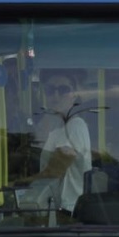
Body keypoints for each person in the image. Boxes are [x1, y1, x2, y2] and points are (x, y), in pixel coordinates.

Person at [27, 70, 92, 213]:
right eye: (50, 90)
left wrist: (21, 184)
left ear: (74, 95)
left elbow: (54, 170)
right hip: (55, 209)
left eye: (63, 90)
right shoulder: (57, 128)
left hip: (69, 211)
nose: (56, 96)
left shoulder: (75, 125)